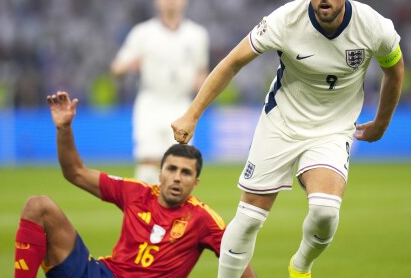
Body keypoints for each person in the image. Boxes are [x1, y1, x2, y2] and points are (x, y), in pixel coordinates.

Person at [172, 0, 405, 277]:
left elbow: (395, 71)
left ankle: (301, 265)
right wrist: (192, 114)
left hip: (332, 129)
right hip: (281, 123)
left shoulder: (374, 27)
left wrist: (381, 123)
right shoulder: (284, 21)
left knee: (325, 212)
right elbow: (233, 62)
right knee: (249, 219)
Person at [13, 91, 255, 278]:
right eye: (171, 169)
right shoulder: (135, 192)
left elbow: (237, 255)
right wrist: (64, 129)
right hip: (103, 274)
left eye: (186, 173)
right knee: (38, 206)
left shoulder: (202, 219)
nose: (177, 177)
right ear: (160, 174)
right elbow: (75, 172)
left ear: (196, 182)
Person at [111, 0, 210, 184]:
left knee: (182, 164)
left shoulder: (198, 35)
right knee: (148, 162)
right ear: (157, 1)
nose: (170, 0)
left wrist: (201, 95)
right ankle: (147, 215)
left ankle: (175, 216)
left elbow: (201, 72)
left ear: (184, 0)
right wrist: (126, 67)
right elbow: (116, 68)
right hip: (150, 103)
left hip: (182, 105)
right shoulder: (142, 33)